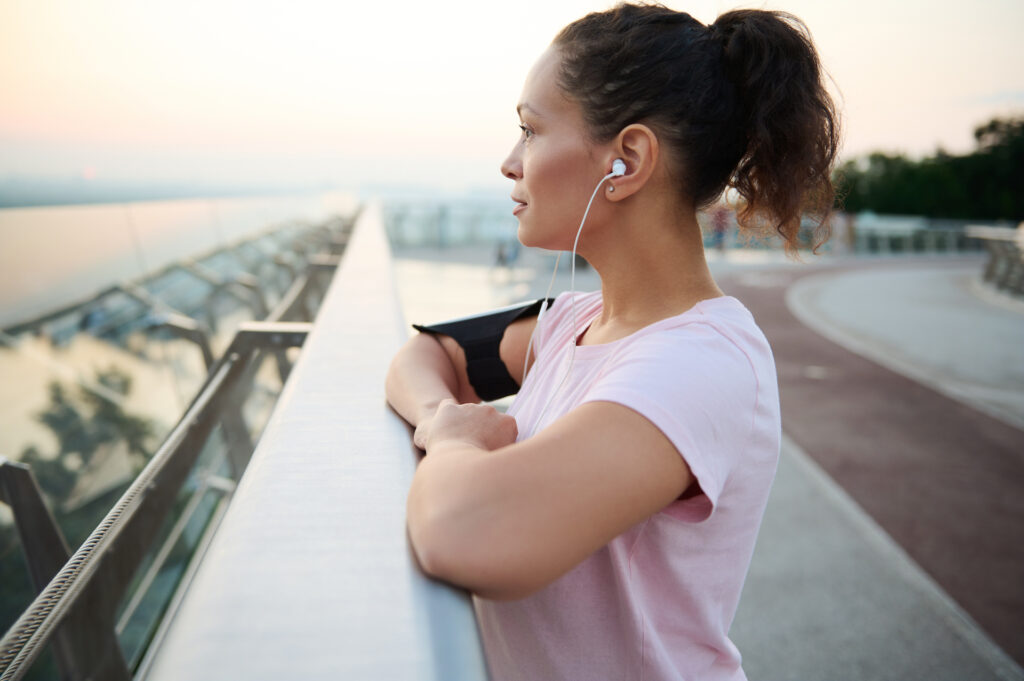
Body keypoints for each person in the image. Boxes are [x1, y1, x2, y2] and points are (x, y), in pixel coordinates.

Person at [385, 3, 839, 679]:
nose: (510, 163)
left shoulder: (700, 364)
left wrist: (453, 444)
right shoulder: (570, 323)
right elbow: (428, 354)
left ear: (625, 159)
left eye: (530, 131)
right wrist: (440, 415)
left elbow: (463, 531)